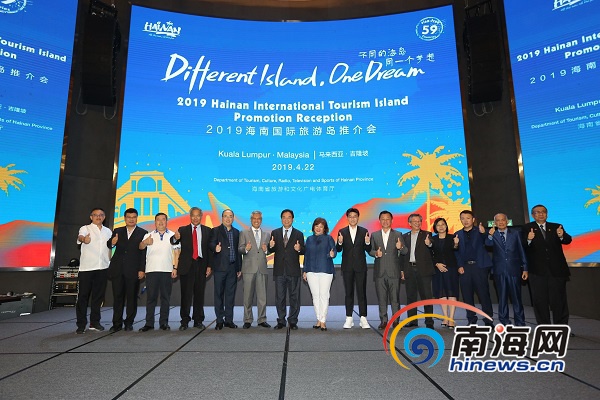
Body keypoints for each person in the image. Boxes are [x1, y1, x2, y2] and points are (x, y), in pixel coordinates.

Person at [522, 204, 572, 325]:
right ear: (532, 215)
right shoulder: (527, 228)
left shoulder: (556, 226)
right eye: (537, 212)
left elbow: (568, 240)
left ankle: (561, 327)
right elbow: (521, 246)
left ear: (547, 214)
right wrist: (528, 239)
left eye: (543, 212)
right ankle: (544, 327)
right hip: (537, 272)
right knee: (540, 301)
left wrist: (561, 236)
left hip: (557, 271)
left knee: (559, 301)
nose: (541, 214)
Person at [171, 207, 212, 331]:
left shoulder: (207, 230)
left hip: (201, 264)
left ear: (201, 216)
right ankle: (184, 320)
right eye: (193, 215)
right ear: (190, 216)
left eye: (198, 215)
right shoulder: (182, 230)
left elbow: (209, 250)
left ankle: (198, 320)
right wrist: (175, 237)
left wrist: (209, 266)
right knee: (186, 295)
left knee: (199, 294)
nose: (195, 218)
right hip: (186, 266)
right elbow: (173, 241)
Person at [106, 208, 147, 333]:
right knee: (117, 297)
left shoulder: (143, 232)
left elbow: (143, 253)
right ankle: (116, 323)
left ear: (137, 218)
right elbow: (109, 244)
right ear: (125, 218)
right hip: (117, 269)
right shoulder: (117, 231)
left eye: (134, 217)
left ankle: (129, 323)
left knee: (132, 298)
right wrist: (112, 242)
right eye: (129, 217)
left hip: (133, 270)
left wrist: (142, 269)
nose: (131, 219)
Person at [138, 213, 179, 332]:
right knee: (151, 298)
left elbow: (177, 253)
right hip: (151, 271)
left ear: (167, 221)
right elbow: (140, 247)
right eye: (158, 220)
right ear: (155, 222)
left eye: (163, 219)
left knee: (165, 298)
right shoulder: (148, 235)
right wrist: (145, 242)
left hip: (167, 271)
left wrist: (175, 268)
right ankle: (149, 323)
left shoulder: (173, 236)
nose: (161, 222)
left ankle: (164, 323)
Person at [485, 213, 528, 326]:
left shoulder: (516, 233)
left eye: (503, 220)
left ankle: (520, 322)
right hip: (499, 270)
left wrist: (525, 268)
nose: (501, 222)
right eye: (498, 220)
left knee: (517, 298)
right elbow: (488, 244)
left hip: (514, 270)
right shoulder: (493, 234)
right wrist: (490, 235)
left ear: (507, 221)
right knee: (502, 298)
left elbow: (521, 251)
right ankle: (504, 321)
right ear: (495, 223)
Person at [75, 208, 112, 334]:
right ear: (91, 217)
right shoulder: (85, 228)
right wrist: (83, 239)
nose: (98, 217)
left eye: (101, 215)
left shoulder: (108, 231)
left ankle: (94, 322)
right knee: (83, 297)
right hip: (87, 268)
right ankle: (81, 324)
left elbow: (109, 247)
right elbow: (80, 237)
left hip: (103, 268)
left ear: (104, 217)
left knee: (98, 297)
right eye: (95, 215)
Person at [369, 210, 408, 330]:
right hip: (380, 272)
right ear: (379, 221)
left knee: (395, 298)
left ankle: (396, 321)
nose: (385, 221)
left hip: (394, 271)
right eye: (383, 219)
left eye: (387, 219)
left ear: (391, 220)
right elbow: (370, 250)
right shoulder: (374, 235)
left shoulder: (398, 234)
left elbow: (405, 251)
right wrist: (376, 253)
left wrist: (400, 247)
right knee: (381, 298)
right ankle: (383, 321)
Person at [455, 210, 494, 326]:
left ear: (473, 219)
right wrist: (459, 265)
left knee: (483, 294)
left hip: (479, 267)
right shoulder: (457, 234)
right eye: (463, 218)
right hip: (465, 268)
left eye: (468, 218)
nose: (465, 220)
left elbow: (489, 244)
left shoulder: (480, 231)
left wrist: (487, 234)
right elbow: (456, 253)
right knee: (467, 295)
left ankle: (488, 320)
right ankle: (471, 320)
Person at [268, 209, 305, 330]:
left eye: (289, 217)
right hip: (279, 270)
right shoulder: (275, 232)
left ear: (293, 219)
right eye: (284, 217)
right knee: (280, 297)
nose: (286, 219)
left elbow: (303, 250)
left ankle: (293, 321)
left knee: (294, 297)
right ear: (281, 219)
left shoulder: (298, 234)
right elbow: (271, 250)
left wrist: (299, 249)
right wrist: (270, 246)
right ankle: (281, 321)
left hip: (293, 270)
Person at [336, 207, 372, 329]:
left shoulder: (364, 231)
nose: (352, 219)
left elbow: (368, 249)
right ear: (347, 218)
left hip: (360, 267)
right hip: (347, 267)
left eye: (354, 217)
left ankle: (363, 318)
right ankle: (349, 318)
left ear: (358, 218)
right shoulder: (342, 231)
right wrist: (340, 242)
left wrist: (367, 242)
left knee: (362, 293)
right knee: (349, 293)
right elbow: (338, 249)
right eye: (350, 217)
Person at [209, 209, 241, 330]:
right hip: (220, 268)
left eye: (230, 216)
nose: (228, 218)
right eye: (226, 216)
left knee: (230, 296)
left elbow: (238, 251)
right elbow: (211, 243)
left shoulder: (237, 232)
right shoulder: (215, 230)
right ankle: (219, 320)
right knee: (218, 295)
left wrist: (239, 267)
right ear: (222, 218)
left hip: (233, 268)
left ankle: (229, 320)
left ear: (233, 218)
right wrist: (215, 248)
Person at [238, 211, 271, 329]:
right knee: (247, 296)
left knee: (262, 297)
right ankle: (247, 319)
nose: (256, 221)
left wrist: (266, 250)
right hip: (248, 269)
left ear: (261, 220)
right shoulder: (244, 233)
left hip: (262, 268)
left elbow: (269, 251)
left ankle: (262, 319)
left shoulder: (267, 234)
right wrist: (246, 249)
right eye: (254, 218)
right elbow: (240, 248)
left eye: (259, 219)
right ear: (251, 220)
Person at [402, 213, 435, 329]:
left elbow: (432, 246)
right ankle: (412, 320)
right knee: (411, 296)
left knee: (426, 296)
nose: (417, 223)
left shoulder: (427, 234)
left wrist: (429, 244)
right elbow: (402, 255)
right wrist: (402, 270)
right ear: (409, 223)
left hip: (423, 270)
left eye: (419, 221)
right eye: (414, 221)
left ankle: (429, 322)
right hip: (409, 269)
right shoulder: (404, 236)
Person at [303, 217, 337, 331]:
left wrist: (332, 254)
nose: (318, 228)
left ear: (324, 229)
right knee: (315, 296)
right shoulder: (309, 239)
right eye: (316, 226)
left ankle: (323, 320)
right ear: (313, 227)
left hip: (325, 270)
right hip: (311, 271)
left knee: (324, 295)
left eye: (321, 227)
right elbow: (306, 256)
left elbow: (334, 251)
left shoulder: (329, 238)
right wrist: (305, 270)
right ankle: (318, 319)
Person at [430, 217, 460, 329]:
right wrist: (436, 264)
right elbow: (430, 255)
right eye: (438, 225)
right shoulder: (432, 240)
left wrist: (456, 244)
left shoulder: (453, 237)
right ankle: (445, 318)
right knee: (441, 294)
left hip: (451, 268)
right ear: (435, 227)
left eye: (443, 224)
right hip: (438, 269)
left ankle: (451, 319)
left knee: (452, 292)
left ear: (446, 226)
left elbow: (456, 250)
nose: (441, 227)